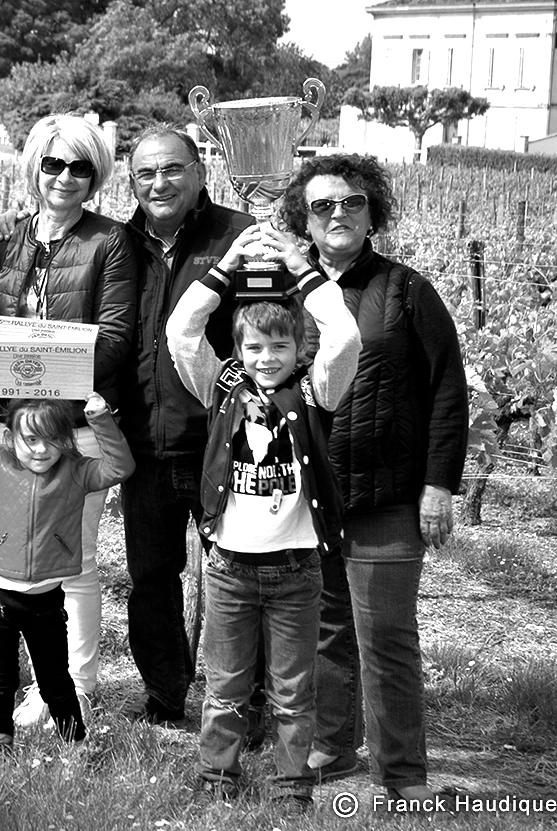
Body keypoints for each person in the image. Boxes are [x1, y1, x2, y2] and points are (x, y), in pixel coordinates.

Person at [277, 154, 468, 803]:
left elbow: (447, 389)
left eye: (352, 202)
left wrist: (439, 485)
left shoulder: (406, 290)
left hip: (387, 494)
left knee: (386, 637)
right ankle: (334, 746)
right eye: (323, 205)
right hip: (310, 493)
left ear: (372, 212)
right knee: (327, 629)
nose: (339, 214)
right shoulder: (284, 294)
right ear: (303, 220)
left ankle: (403, 773)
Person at [167, 225, 361, 808]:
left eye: (279, 347)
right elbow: (182, 330)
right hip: (229, 568)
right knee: (225, 688)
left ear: (299, 349)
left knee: (293, 691)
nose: (266, 358)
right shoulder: (220, 386)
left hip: (296, 570)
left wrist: (303, 270)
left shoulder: (316, 390)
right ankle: (217, 778)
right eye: (254, 348)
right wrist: (226, 266)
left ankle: (291, 787)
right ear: (237, 351)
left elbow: (345, 336)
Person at [0, 113, 137, 726]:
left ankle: (76, 686)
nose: (66, 177)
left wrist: (38, 370)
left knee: (71, 559)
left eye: (80, 166)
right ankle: (33, 683)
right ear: (35, 168)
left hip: (74, 430)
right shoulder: (5, 239)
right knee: (13, 555)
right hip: (9, 428)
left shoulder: (110, 241)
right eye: (54, 164)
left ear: (95, 175)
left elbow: (116, 338)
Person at [116, 125, 253, 725]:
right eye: (145, 173)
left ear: (200, 172)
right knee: (150, 578)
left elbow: (268, 328)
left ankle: (242, 702)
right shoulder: (119, 243)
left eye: (172, 169)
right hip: (144, 443)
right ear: (131, 182)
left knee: (239, 576)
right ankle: (165, 694)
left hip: (222, 444)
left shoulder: (240, 236)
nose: (159, 183)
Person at [0, 385, 134, 750]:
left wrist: (99, 418)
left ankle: (76, 744)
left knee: (56, 679)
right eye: (30, 440)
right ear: (11, 438)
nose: (41, 450)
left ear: (66, 440)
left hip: (46, 602)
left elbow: (121, 467)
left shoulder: (76, 470)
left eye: (52, 439)